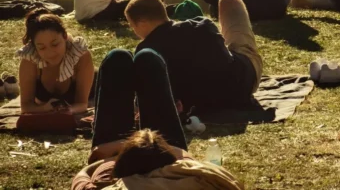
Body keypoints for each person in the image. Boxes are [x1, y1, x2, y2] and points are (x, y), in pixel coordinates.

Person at [73, 48, 242, 189]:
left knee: (120, 60)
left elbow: (83, 174)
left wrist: (112, 155)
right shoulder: (193, 181)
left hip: (131, 159)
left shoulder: (107, 183)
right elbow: (225, 180)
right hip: (163, 159)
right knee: (146, 59)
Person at [125, 0, 262, 113]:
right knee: (229, 0)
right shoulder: (202, 26)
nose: (133, 31)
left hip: (206, 105)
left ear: (142, 22)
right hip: (241, 87)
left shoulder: (146, 53)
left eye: (132, 25)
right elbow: (224, 64)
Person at [16, 9, 93, 114]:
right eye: (42, 48)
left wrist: (69, 110)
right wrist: (44, 109)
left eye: (55, 44)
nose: (50, 53)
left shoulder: (80, 55)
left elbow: (82, 104)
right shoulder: (30, 60)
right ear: (34, 47)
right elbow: (26, 106)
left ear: (65, 36)